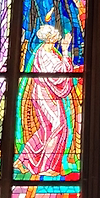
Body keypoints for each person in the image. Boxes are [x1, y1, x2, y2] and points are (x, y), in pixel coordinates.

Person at [14, 25, 77, 177]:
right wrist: (65, 50)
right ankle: (46, 167)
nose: (57, 37)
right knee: (58, 126)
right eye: (54, 35)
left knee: (46, 129)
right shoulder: (45, 54)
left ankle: (22, 160)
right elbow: (58, 75)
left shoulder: (49, 51)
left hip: (48, 94)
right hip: (45, 95)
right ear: (49, 38)